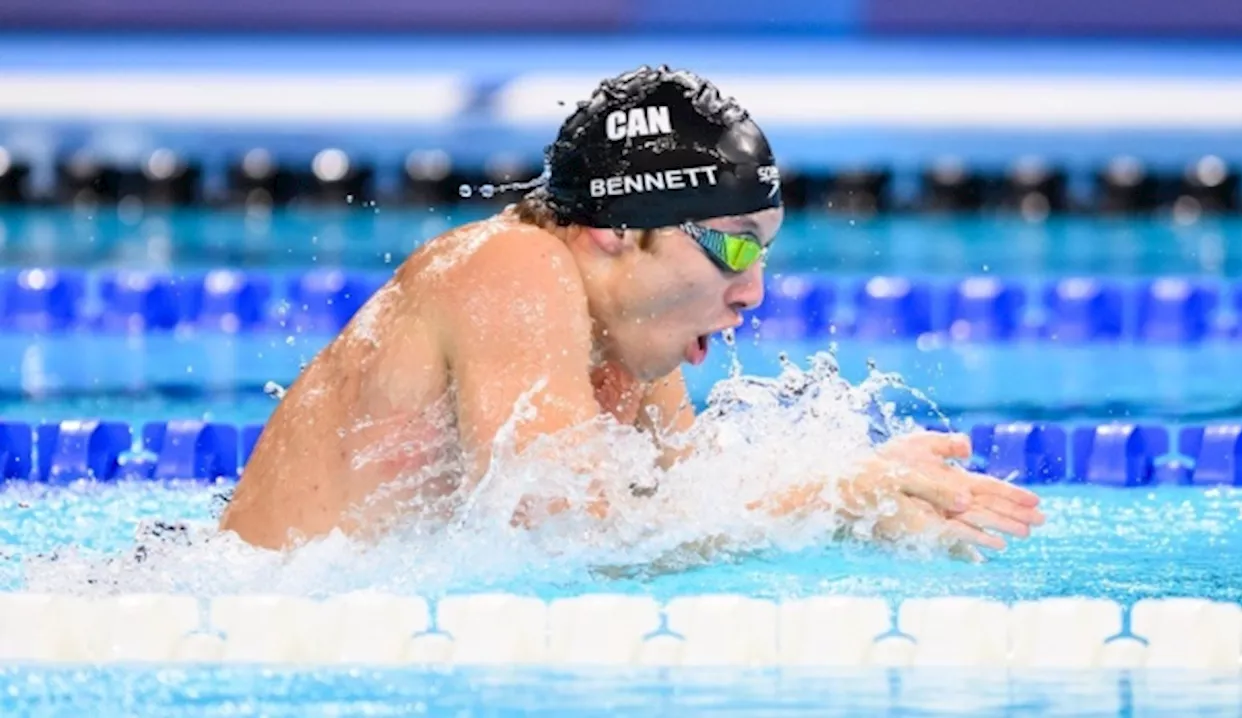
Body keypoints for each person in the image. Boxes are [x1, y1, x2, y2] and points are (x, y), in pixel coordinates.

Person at [219, 65, 1044, 556]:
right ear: (617, 231)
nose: (753, 290)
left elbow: (681, 530)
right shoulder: (510, 266)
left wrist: (869, 515)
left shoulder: (621, 345)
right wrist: (825, 492)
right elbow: (566, 532)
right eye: (733, 244)